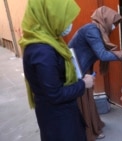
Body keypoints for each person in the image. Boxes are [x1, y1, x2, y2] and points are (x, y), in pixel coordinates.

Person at [18, 0, 94, 141]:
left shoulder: (49, 41)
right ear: (49, 16)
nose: (69, 24)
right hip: (59, 121)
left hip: (57, 114)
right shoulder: (43, 51)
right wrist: (83, 84)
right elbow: (55, 94)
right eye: (65, 18)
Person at [68, 6, 122, 140]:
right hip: (77, 70)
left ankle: (93, 126)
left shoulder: (98, 31)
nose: (114, 27)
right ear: (105, 19)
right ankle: (88, 131)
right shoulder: (92, 30)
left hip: (83, 68)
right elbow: (103, 55)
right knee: (83, 101)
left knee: (87, 99)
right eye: (114, 23)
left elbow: (96, 53)